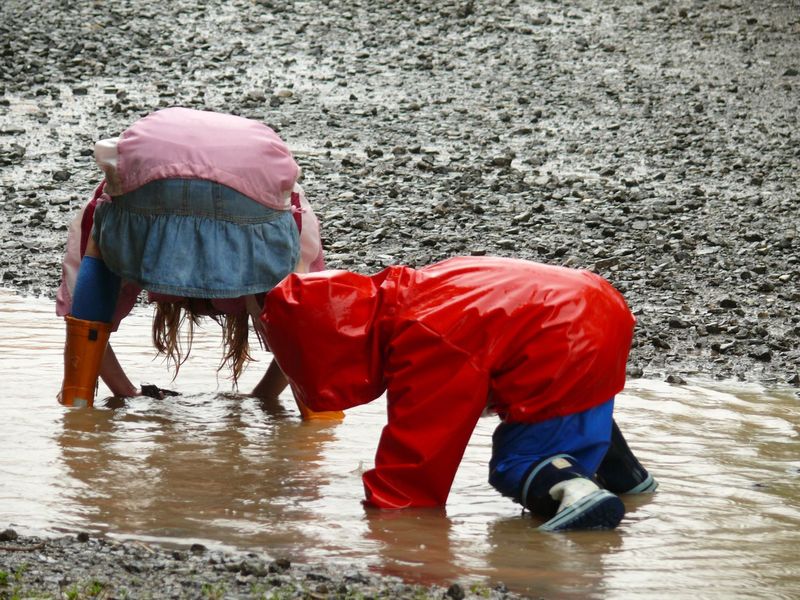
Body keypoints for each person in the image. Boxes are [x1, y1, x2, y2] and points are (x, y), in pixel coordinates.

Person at [261, 256, 657, 531]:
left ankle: (575, 489)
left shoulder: (424, 337)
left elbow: (420, 454)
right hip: (597, 303)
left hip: (561, 335)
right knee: (556, 402)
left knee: (516, 462)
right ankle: (627, 478)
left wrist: (390, 524)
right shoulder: (417, 290)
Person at [56, 107, 341, 419]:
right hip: (254, 173)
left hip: (146, 162)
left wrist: (126, 393)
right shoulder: (296, 206)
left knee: (101, 247)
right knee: (294, 298)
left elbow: (80, 305)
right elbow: (309, 317)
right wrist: (263, 399)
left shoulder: (102, 200)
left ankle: (76, 397)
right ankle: (318, 413)